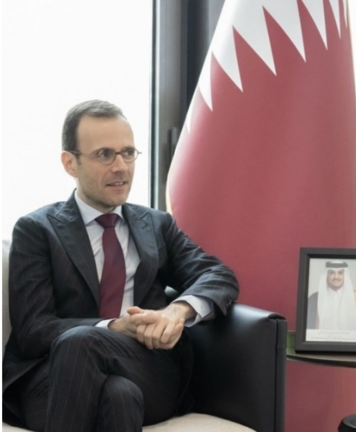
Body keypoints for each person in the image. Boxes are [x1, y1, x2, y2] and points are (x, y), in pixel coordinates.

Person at [2, 100, 239, 432]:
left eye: (128, 153)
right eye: (105, 155)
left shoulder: (157, 225)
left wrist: (177, 311)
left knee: (100, 362)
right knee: (118, 394)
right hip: (52, 373)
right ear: (70, 163)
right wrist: (114, 327)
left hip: (146, 367)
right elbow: (33, 331)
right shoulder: (37, 230)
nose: (121, 167)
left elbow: (218, 275)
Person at [307, 260, 356, 330]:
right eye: (332, 273)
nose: (336, 277)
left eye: (340, 273)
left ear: (345, 276)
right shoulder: (314, 299)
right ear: (326, 276)